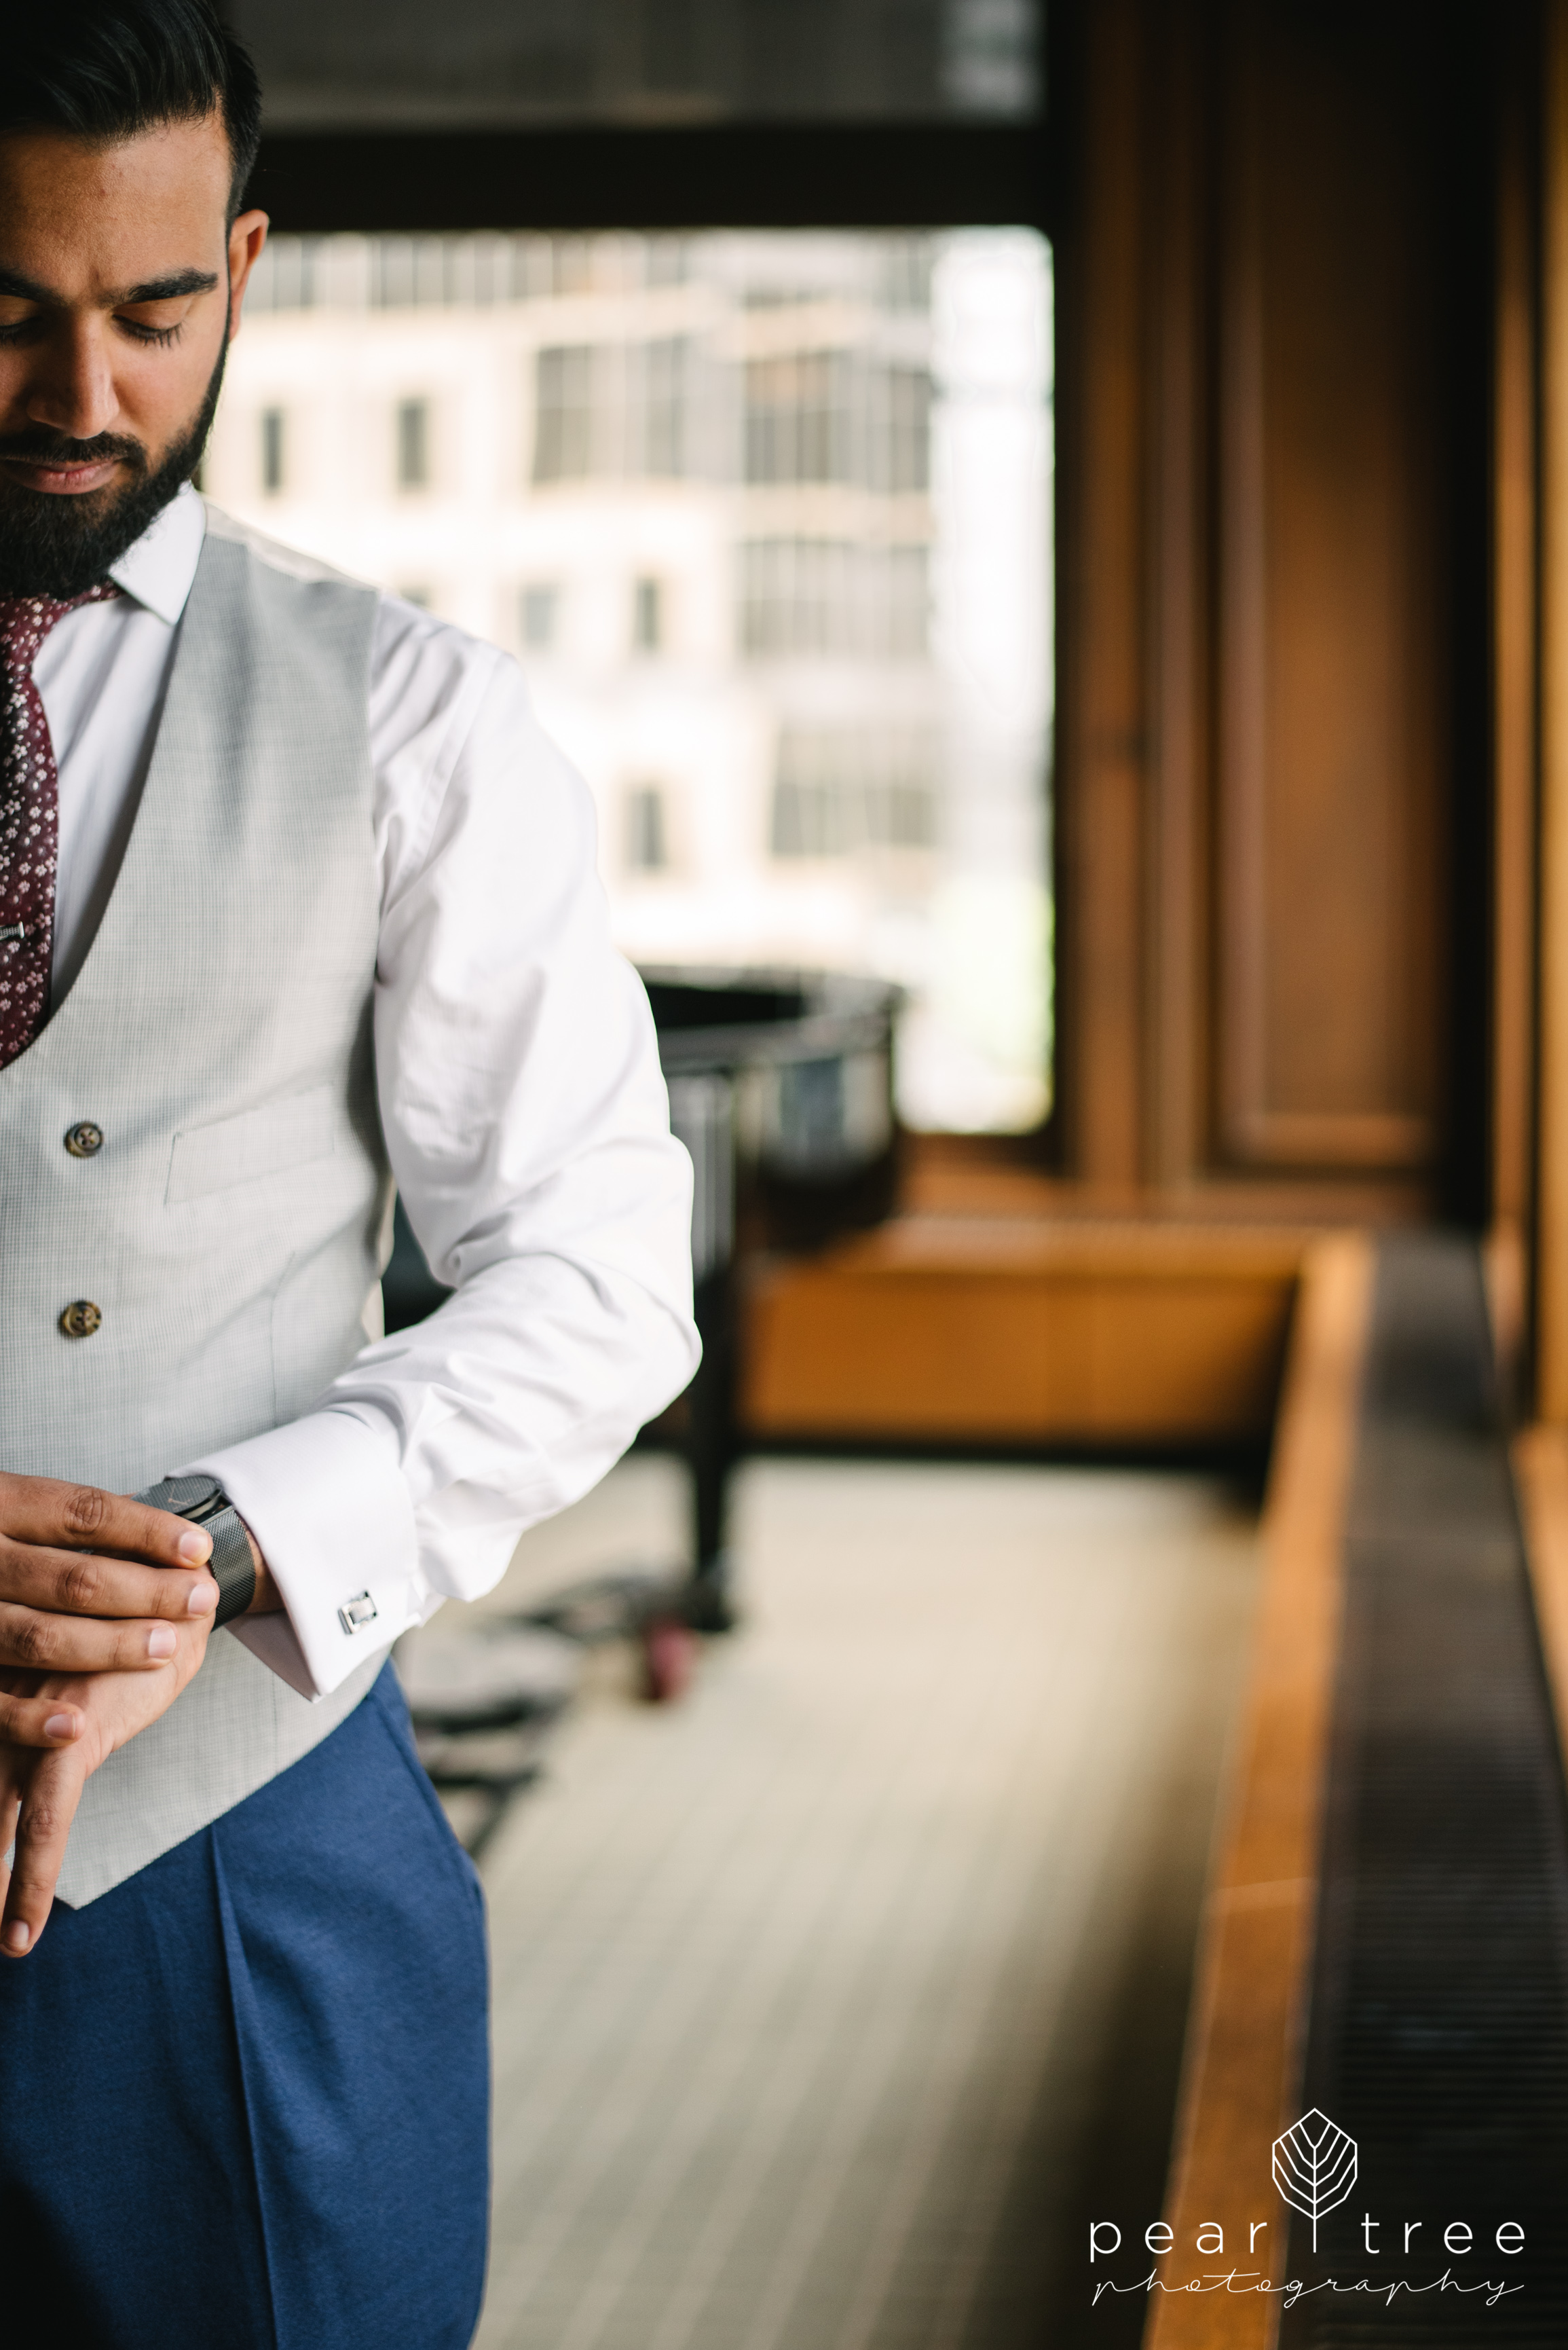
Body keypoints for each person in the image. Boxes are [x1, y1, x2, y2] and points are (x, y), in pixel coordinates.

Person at [0, 5, 698, 2343]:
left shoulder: (415, 713)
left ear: (245, 268)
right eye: (4, 312)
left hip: (229, 1835)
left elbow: (599, 1274)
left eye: (152, 310)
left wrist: (202, 1562)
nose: (81, 394)